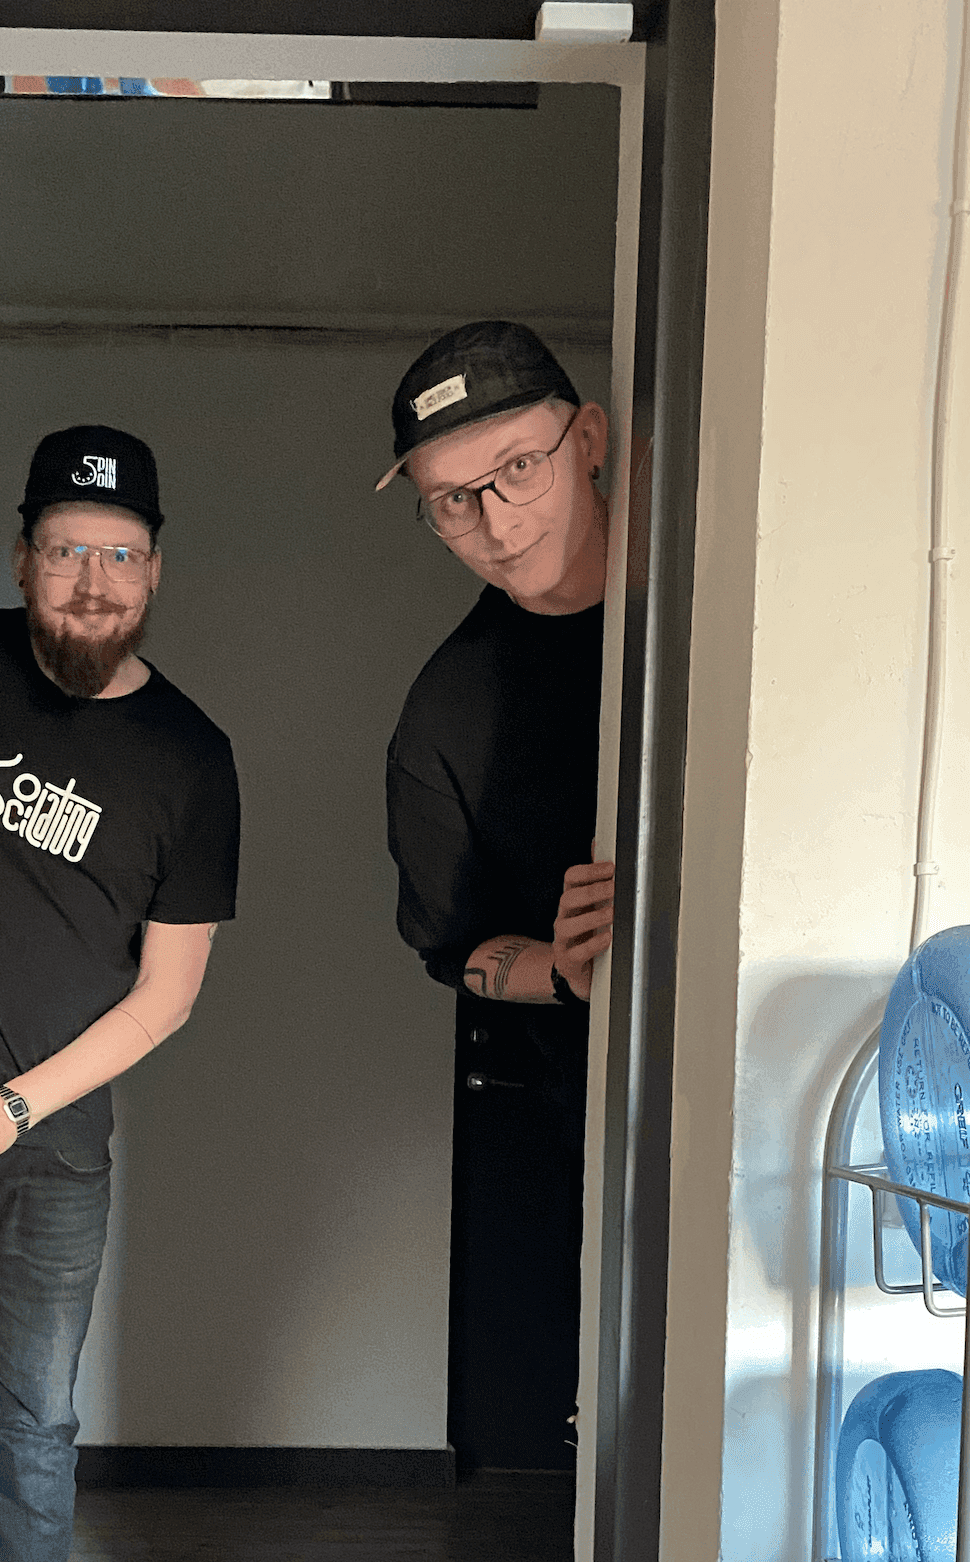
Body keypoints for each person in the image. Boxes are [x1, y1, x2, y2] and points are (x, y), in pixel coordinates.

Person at [0, 424, 240, 1562]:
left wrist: (10, 1107)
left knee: (33, 1426)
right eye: (65, 552)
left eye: (120, 554)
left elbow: (168, 993)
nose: (93, 583)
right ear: (21, 560)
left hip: (49, 1151)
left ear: (155, 570)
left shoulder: (191, 758)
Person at [378, 321, 616, 1473]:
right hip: (597, 1109)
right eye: (451, 500)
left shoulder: (713, 615)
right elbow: (453, 946)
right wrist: (565, 971)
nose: (495, 520)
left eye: (519, 467)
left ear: (590, 439)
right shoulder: (449, 713)